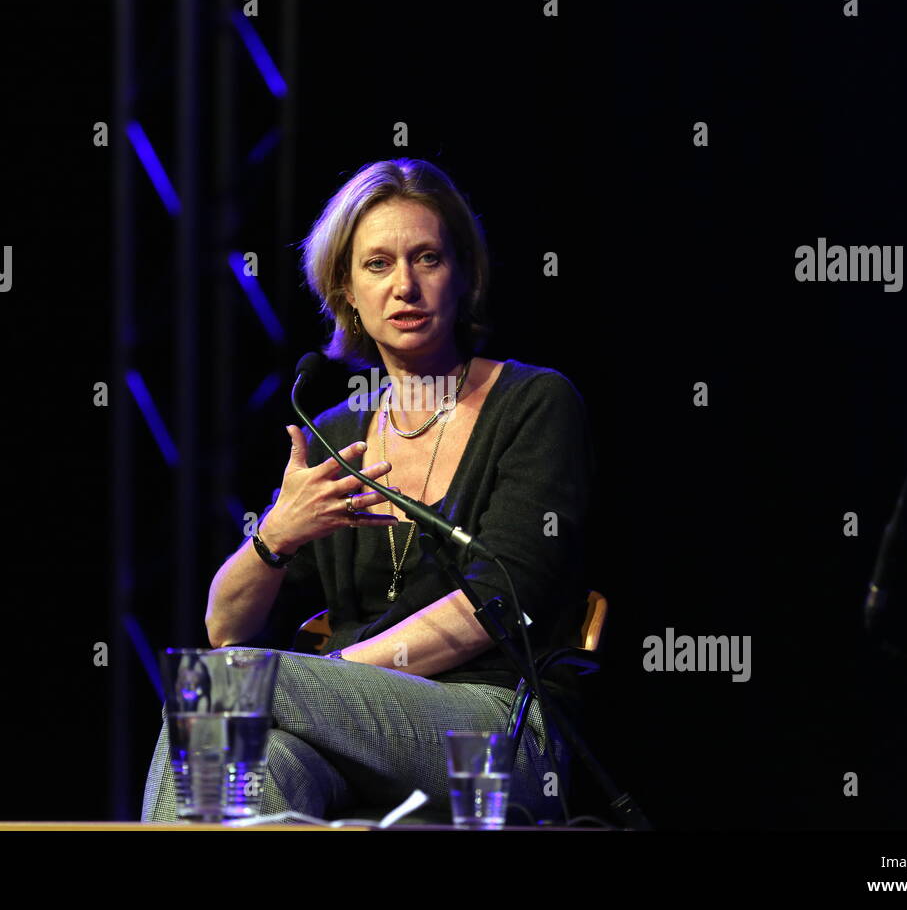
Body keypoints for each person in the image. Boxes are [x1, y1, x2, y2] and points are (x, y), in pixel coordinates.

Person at [140, 158, 596, 824]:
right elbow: (223, 627)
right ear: (345, 290)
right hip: (356, 736)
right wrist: (274, 536)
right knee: (247, 765)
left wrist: (335, 677)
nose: (405, 286)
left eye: (428, 258)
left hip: (495, 734)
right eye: (378, 265)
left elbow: (499, 603)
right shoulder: (334, 436)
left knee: (224, 692)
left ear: (464, 274)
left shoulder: (535, 403)